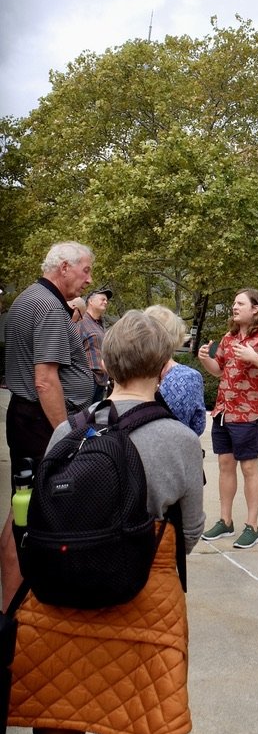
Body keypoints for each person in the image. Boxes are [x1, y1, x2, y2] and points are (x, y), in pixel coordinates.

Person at [8, 309, 206, 734]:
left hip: (60, 599)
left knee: (55, 728)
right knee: (128, 732)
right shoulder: (179, 439)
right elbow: (188, 535)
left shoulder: (66, 431)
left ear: (105, 365)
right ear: (161, 367)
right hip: (141, 609)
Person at [1, 241, 94, 611]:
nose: (89, 279)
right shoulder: (50, 308)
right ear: (65, 266)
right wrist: (65, 436)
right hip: (42, 424)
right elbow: (45, 381)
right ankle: (21, 612)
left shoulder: (30, 299)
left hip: (26, 418)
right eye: (85, 270)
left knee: (19, 512)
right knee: (34, 518)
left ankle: (10, 608)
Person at [198, 287, 258, 549]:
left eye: (240, 304)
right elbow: (219, 371)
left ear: (255, 308)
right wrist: (205, 360)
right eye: (233, 304)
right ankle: (225, 521)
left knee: (248, 467)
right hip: (224, 411)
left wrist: (254, 357)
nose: (234, 307)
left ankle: (252, 526)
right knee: (225, 464)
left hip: (250, 413)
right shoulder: (230, 337)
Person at [145, 305, 207, 435]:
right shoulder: (189, 377)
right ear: (176, 335)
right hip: (175, 449)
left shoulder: (129, 371)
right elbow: (197, 427)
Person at [79, 286, 112, 403]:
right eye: (102, 299)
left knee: (93, 417)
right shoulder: (80, 321)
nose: (106, 301)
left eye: (106, 300)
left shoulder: (100, 325)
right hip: (87, 380)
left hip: (102, 381)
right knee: (82, 418)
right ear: (91, 301)